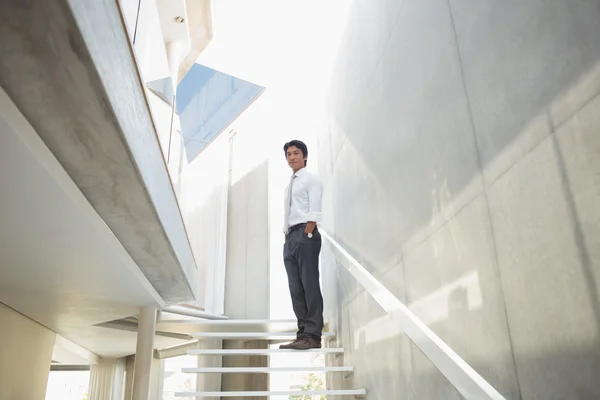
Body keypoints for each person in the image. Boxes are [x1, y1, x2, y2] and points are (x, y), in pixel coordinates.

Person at [279, 140, 324, 350]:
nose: (292, 157)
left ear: (305, 156)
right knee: (295, 289)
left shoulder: (311, 180)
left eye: (296, 153)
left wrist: (307, 232)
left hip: (305, 234)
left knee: (309, 285)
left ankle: (313, 336)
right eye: (288, 154)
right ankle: (302, 333)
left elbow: (315, 210)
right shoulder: (290, 184)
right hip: (290, 238)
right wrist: (288, 239)